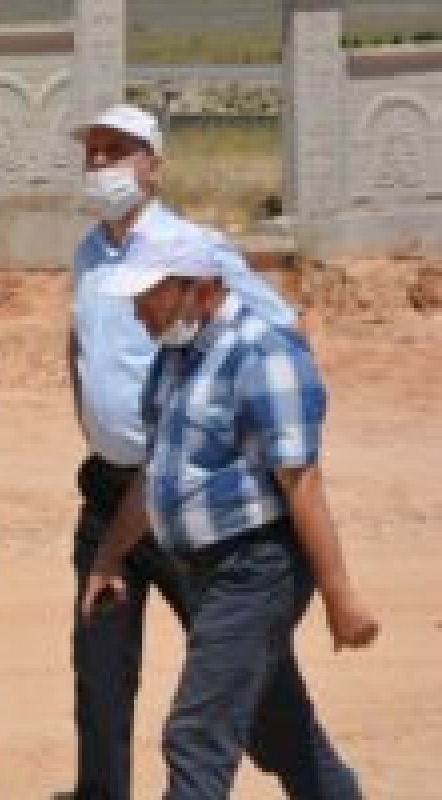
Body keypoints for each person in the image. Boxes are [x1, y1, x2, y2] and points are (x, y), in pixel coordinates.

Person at [80, 232, 377, 799]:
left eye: (148, 297)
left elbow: (302, 482)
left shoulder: (264, 355)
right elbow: (155, 472)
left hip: (256, 570)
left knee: (196, 737)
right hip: (204, 574)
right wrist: (109, 556)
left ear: (201, 288)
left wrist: (341, 597)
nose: (138, 313)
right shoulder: (173, 359)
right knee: (280, 731)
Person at [65, 103, 301, 799]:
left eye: (117, 150)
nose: (100, 163)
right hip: (107, 489)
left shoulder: (193, 248)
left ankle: (317, 778)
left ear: (155, 165)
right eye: (93, 151)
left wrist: (231, 438)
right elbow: (79, 346)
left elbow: (278, 330)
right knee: (100, 671)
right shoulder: (88, 253)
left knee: (248, 681)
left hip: (182, 499)